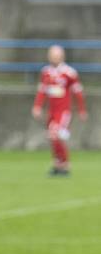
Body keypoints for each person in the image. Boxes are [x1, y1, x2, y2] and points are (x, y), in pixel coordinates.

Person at [32, 45, 87, 176]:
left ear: (62, 56)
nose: (54, 57)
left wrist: (82, 110)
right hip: (51, 111)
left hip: (63, 112)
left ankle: (65, 165)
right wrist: (37, 106)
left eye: (57, 55)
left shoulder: (69, 73)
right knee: (53, 137)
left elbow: (78, 92)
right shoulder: (46, 72)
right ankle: (58, 165)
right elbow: (42, 91)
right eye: (52, 55)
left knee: (56, 134)